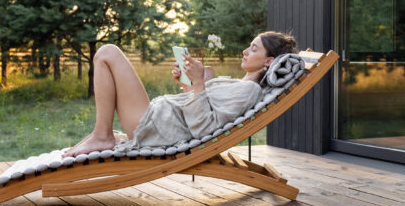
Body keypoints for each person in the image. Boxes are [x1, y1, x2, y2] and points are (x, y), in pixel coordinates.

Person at [61, 31, 298, 157]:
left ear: (269, 61)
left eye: (254, 49)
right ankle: (100, 134)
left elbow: (204, 129)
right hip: (157, 118)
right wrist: (188, 84)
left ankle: (102, 135)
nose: (245, 51)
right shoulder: (238, 83)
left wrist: (197, 83)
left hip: (155, 127)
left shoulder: (249, 90)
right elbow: (198, 107)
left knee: (107, 53)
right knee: (107, 54)